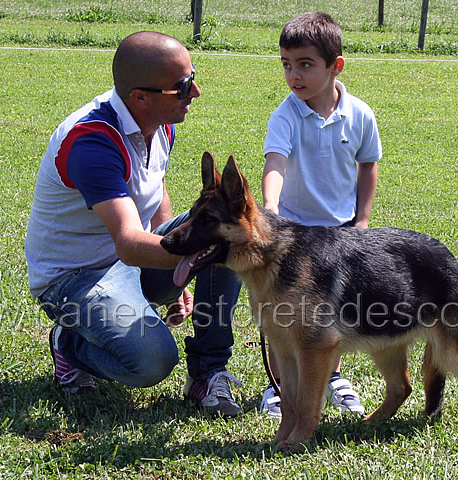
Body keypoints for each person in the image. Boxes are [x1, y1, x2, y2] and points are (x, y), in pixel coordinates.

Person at [25, 31, 243, 417]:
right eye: (183, 86)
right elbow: (128, 243)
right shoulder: (92, 142)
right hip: (75, 279)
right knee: (151, 361)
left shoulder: (160, 122)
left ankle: (208, 373)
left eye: (192, 77)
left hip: (128, 263)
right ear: (140, 97)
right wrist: (191, 259)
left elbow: (157, 198)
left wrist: (176, 281)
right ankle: (67, 343)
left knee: (230, 232)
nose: (196, 92)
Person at [260, 12, 382, 418]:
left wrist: (362, 220)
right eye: (286, 65)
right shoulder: (286, 115)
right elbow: (275, 162)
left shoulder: (360, 114)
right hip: (294, 233)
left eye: (305, 65)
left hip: (342, 232)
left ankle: (332, 378)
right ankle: (279, 386)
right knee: (285, 315)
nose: (293, 75)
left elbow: (368, 166)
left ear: (336, 66)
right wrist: (272, 208)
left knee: (333, 311)